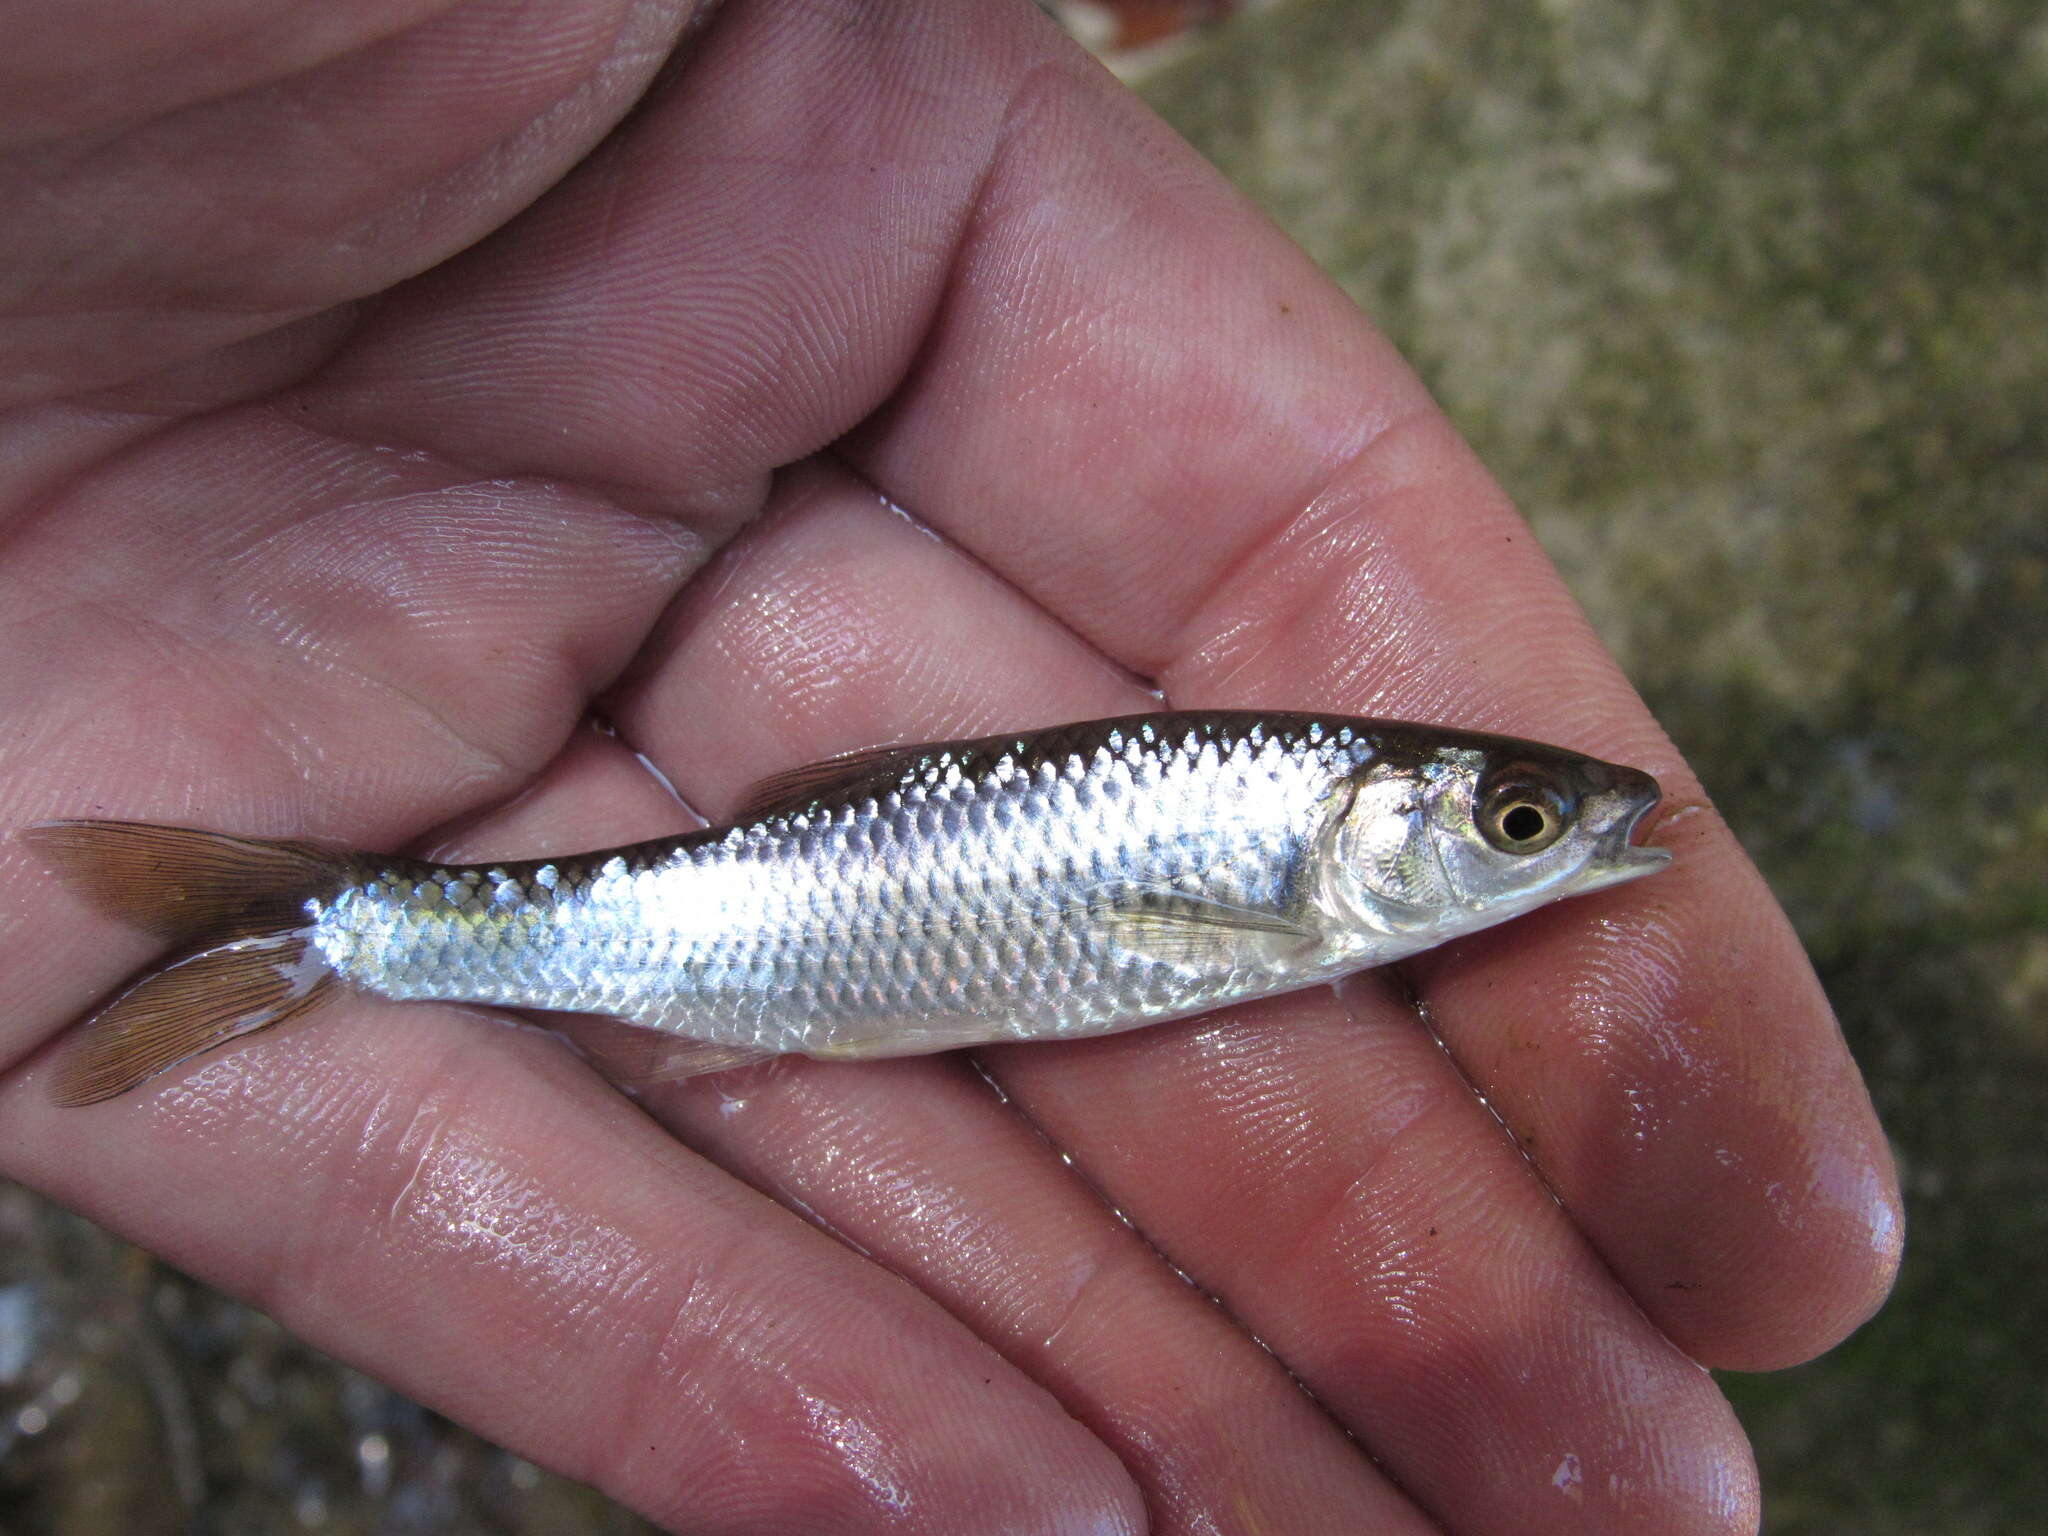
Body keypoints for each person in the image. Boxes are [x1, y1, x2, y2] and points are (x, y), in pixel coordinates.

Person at [0, 3, 1900, 1532]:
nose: (1545, 840)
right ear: (1362, 836)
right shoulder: (1277, 862)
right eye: (1509, 823)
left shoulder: (1292, 869)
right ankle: (333, 925)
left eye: (1517, 824)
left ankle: (339, 927)